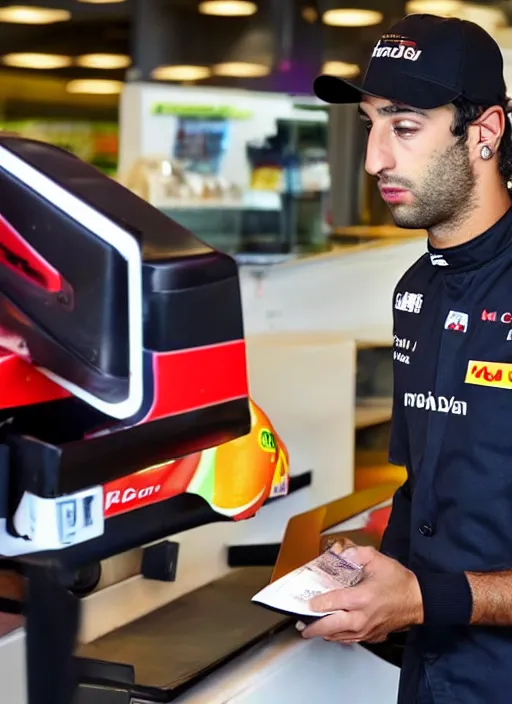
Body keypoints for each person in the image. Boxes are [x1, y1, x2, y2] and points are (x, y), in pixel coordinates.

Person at [302, 12, 512, 704]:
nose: (374, 160)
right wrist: (371, 569)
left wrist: (423, 597)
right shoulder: (416, 291)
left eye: (404, 126)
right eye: (370, 124)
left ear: (483, 132)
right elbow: (426, 489)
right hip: (429, 678)